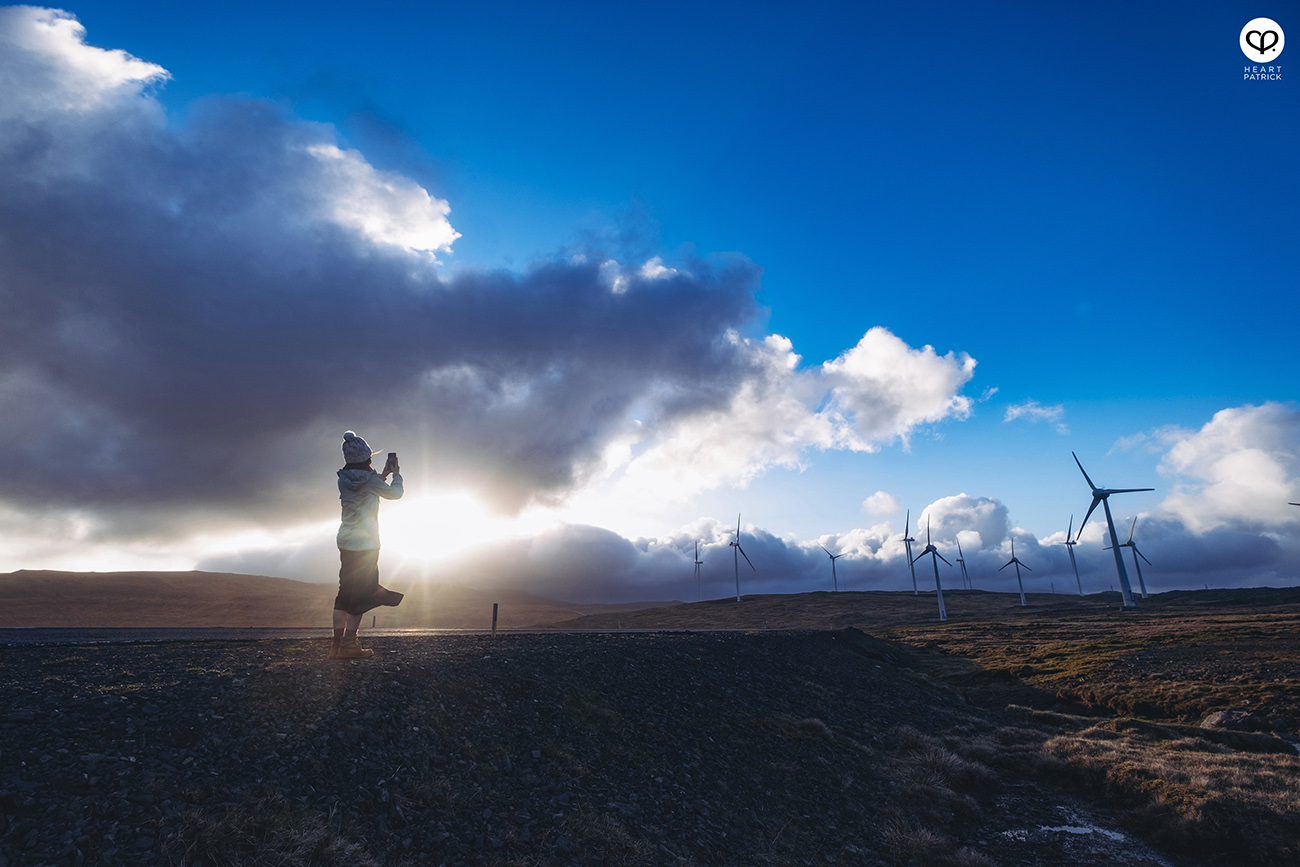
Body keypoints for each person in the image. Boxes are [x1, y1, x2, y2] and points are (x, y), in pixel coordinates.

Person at [331, 430, 405, 659]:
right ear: (367, 457)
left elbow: (367, 489)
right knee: (362, 594)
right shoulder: (371, 481)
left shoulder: (343, 479)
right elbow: (395, 494)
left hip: (345, 541)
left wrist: (381, 474)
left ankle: (336, 646)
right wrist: (396, 474)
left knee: (344, 592)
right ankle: (349, 645)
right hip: (366, 544)